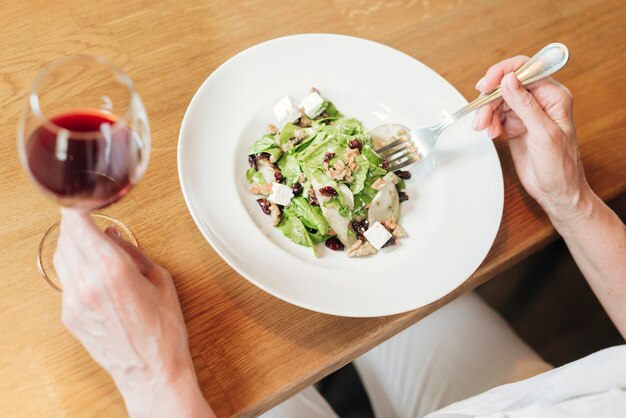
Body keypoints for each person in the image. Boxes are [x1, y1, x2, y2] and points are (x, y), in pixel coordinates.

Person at [54, 55, 626, 418]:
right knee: (390, 310)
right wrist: (569, 199)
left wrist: (153, 378)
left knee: (238, 379)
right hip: (559, 395)